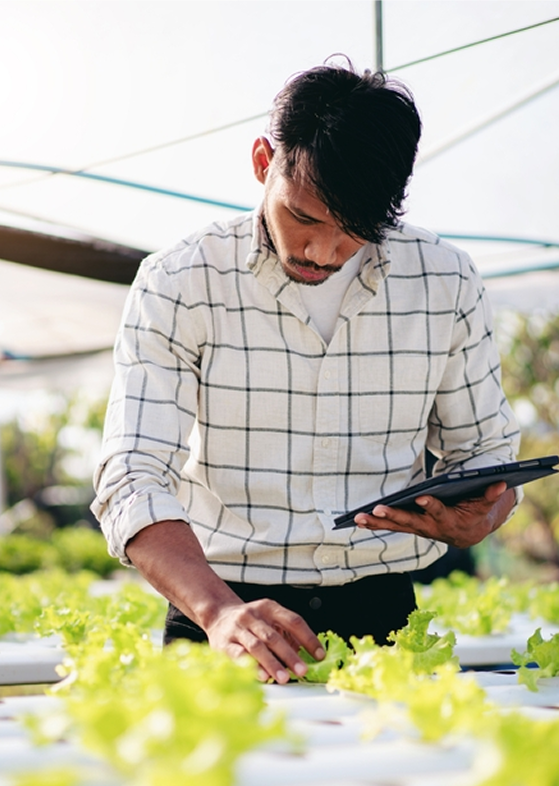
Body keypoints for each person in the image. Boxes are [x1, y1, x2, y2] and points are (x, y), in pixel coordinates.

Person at [92, 60, 520, 684]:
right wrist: (218, 612)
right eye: (306, 218)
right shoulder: (181, 280)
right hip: (221, 614)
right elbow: (130, 475)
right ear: (264, 161)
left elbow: (485, 454)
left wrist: (481, 513)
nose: (323, 253)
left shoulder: (446, 280)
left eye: (355, 233)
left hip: (384, 619)